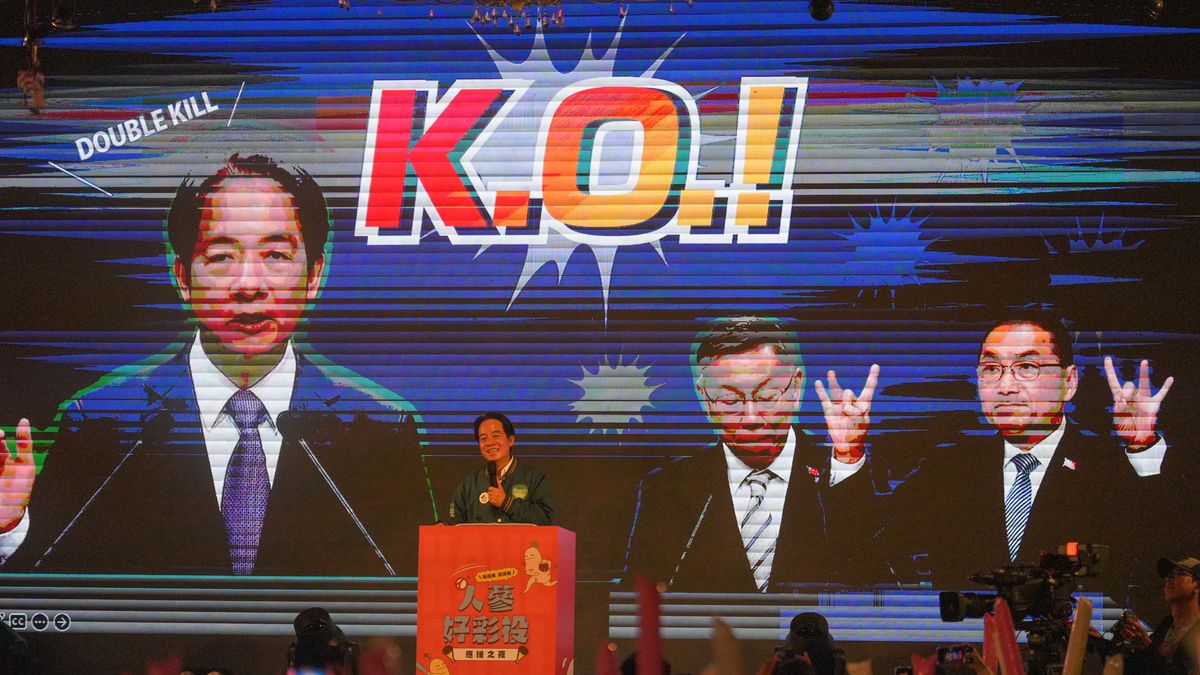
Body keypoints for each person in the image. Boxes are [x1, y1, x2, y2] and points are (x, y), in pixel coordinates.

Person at [0, 153, 433, 575]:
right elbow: (47, 597)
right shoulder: (102, 420)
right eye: (222, 256)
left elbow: (418, 591)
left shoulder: (379, 430)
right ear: (183, 277)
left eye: (276, 256)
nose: (249, 285)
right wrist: (10, 527)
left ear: (314, 275)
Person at [891, 311, 1173, 593]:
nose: (1006, 387)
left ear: (1069, 381)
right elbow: (867, 547)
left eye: (1026, 367)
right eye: (991, 369)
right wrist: (847, 456)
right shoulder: (947, 470)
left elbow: (1163, 558)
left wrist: (1143, 447)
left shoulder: (1107, 468)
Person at [623, 316, 882, 593]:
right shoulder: (668, 488)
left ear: (795, 387)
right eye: (730, 399)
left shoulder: (845, 470)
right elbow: (639, 601)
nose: (750, 417)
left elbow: (870, 574)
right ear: (704, 397)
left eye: (767, 396)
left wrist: (847, 456)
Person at [444, 413, 554, 525]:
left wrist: (506, 503)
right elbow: (455, 524)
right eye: (483, 438)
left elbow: (545, 518)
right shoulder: (469, 484)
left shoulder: (534, 477)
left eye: (496, 436)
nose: (489, 443)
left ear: (511, 440)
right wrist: (442, 526)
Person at [1123, 555, 1200, 674]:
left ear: (1197, 586)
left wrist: (1148, 648)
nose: (1168, 578)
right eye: (1167, 575)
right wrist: (1103, 645)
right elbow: (1140, 669)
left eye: (1177, 574)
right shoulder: (1166, 625)